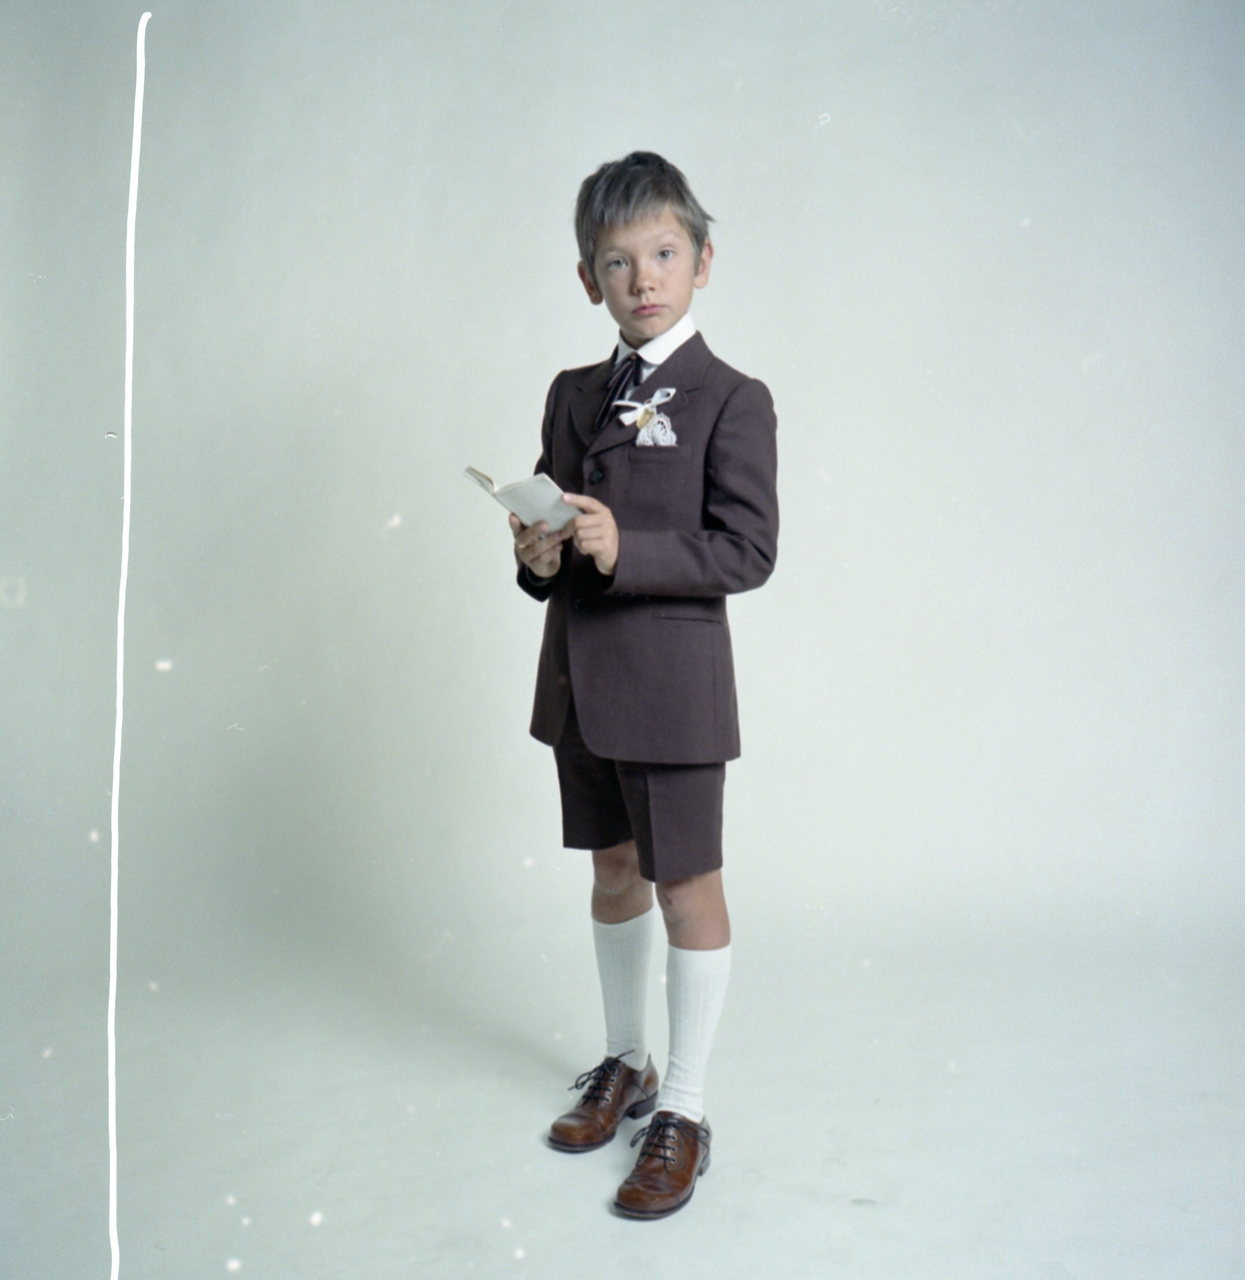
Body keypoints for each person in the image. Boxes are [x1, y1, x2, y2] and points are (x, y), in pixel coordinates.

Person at [509, 151, 779, 1219]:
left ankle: (688, 1108)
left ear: (701, 261)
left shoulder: (731, 398)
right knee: (613, 870)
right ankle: (627, 1060)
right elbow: (555, 537)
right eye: (617, 261)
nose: (643, 277)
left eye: (663, 252)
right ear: (590, 280)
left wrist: (630, 548)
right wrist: (538, 557)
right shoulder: (573, 394)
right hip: (582, 682)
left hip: (672, 690)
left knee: (685, 885)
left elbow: (747, 550)